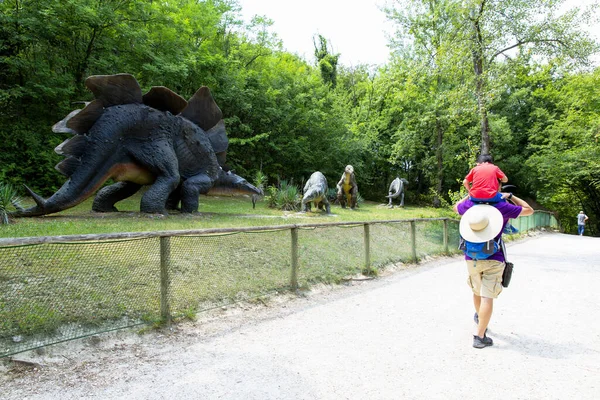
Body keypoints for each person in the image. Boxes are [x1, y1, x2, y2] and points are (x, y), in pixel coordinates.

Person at [454, 192, 533, 348]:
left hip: (472, 258)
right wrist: (511, 196)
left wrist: (470, 194)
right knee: (487, 297)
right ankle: (479, 336)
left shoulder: (470, 206)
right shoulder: (502, 206)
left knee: (477, 292)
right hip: (494, 257)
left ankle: (480, 319)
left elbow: (455, 207)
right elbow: (528, 209)